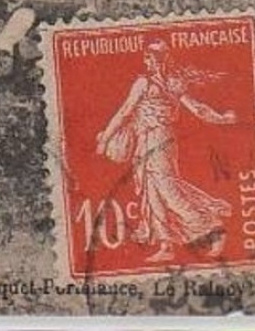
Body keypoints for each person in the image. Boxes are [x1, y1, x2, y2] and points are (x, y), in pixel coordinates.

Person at [96, 39, 236, 262]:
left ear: (161, 59)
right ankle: (166, 245)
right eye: (150, 57)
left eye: (154, 57)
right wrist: (220, 118)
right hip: (146, 139)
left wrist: (106, 139)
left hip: (160, 139)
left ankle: (212, 227)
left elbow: (125, 112)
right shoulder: (155, 82)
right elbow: (125, 111)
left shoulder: (167, 83)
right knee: (152, 192)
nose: (151, 61)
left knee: (167, 188)